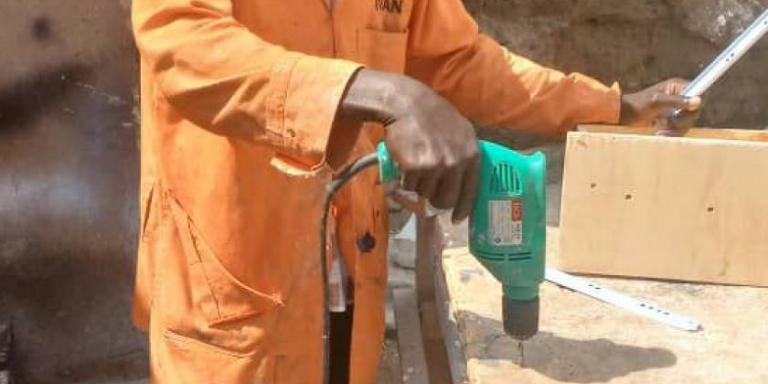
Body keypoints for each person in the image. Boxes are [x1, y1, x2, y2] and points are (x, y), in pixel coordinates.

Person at [130, 1, 702, 383]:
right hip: (235, 285)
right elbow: (184, 43)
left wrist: (611, 106)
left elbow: (456, 61)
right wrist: (381, 93)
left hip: (350, 266)